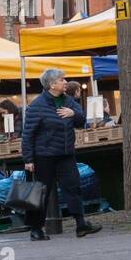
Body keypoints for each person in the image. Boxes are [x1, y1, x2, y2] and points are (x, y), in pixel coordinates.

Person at [22, 68, 102, 241]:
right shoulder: (37, 106)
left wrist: (74, 113)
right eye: (62, 79)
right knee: (41, 192)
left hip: (66, 154)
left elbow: (81, 122)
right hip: (44, 156)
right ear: (52, 84)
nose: (66, 82)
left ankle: (81, 225)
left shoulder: (68, 101)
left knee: (73, 187)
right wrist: (28, 159)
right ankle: (36, 229)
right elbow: (28, 134)